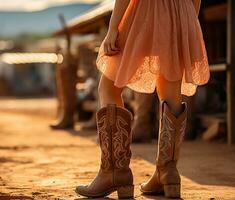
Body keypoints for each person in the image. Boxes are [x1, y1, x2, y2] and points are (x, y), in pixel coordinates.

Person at [75, 0, 209, 198]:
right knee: (171, 90)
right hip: (183, 12)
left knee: (109, 87)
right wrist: (187, 19)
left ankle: (114, 172)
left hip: (145, 10)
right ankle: (167, 172)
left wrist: (113, 27)